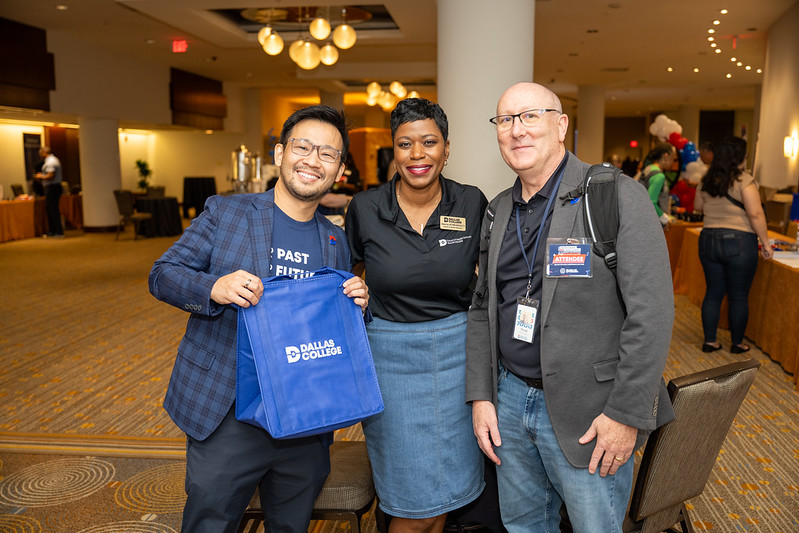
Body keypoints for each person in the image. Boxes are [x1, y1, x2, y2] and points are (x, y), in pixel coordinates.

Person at [149, 105, 370, 533]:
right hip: (228, 411)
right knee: (210, 523)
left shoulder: (336, 240)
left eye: (328, 154)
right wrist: (214, 288)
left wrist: (359, 303)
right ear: (280, 153)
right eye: (303, 147)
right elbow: (162, 274)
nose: (313, 160)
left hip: (303, 420)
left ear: (340, 170)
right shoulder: (226, 213)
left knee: (290, 525)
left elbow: (331, 327)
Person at [466, 82, 675, 532]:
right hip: (510, 402)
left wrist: (625, 415)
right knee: (523, 526)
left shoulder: (614, 196)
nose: (516, 130)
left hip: (592, 412)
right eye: (505, 120)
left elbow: (651, 315)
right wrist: (482, 395)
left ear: (560, 126)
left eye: (530, 116)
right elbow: (482, 309)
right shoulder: (498, 210)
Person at [345, 98, 488, 533]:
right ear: (393, 150)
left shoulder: (472, 203)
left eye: (429, 142)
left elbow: (493, 279)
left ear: (447, 149)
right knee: (411, 498)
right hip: (392, 361)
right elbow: (345, 273)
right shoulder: (366, 208)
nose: (417, 154)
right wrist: (356, 295)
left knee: (447, 489)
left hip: (458, 361)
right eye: (405, 144)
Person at [693, 136, 772, 354]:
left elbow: (698, 206)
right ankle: (737, 344)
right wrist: (765, 243)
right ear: (739, 157)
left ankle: (710, 341)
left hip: (708, 239)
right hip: (739, 242)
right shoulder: (744, 180)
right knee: (738, 295)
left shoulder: (707, 179)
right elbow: (755, 214)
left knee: (713, 292)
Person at [638, 142, 676, 226]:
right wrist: (664, 218)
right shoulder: (659, 176)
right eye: (672, 158)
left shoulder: (647, 169)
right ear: (666, 156)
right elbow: (651, 202)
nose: (673, 162)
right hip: (653, 223)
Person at [33, 146, 64, 237]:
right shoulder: (53, 160)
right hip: (53, 187)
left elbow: (51, 176)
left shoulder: (51, 161)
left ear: (44, 153)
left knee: (52, 209)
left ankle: (57, 231)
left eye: (40, 154)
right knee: (51, 209)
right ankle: (53, 231)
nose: (40, 156)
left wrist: (40, 176)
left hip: (52, 188)